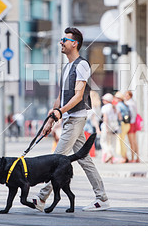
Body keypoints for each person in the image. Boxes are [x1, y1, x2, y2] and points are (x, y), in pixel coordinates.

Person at [31, 27, 110, 212]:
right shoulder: (67, 67)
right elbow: (61, 97)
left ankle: (41, 198)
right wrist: (51, 119)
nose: (61, 42)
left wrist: (61, 112)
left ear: (74, 43)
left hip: (76, 118)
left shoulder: (82, 65)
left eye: (64, 39)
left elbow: (77, 96)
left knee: (56, 159)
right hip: (68, 117)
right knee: (85, 160)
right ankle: (102, 198)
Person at [100, 93, 119, 163]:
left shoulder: (105, 107)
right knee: (113, 142)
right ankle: (111, 158)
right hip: (115, 126)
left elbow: (105, 118)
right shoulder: (114, 107)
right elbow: (120, 117)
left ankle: (109, 153)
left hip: (107, 125)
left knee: (103, 141)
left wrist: (106, 127)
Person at [113, 91, 131, 163]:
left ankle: (124, 157)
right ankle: (125, 156)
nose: (115, 99)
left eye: (117, 98)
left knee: (120, 141)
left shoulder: (119, 105)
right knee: (123, 140)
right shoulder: (125, 105)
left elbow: (118, 115)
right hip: (127, 124)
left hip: (122, 124)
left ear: (119, 99)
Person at [125, 91, 139, 162]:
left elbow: (131, 114)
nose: (125, 97)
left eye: (126, 95)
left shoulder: (128, 103)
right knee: (134, 141)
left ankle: (133, 158)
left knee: (131, 141)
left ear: (130, 96)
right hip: (134, 123)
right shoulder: (133, 103)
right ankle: (137, 158)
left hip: (130, 123)